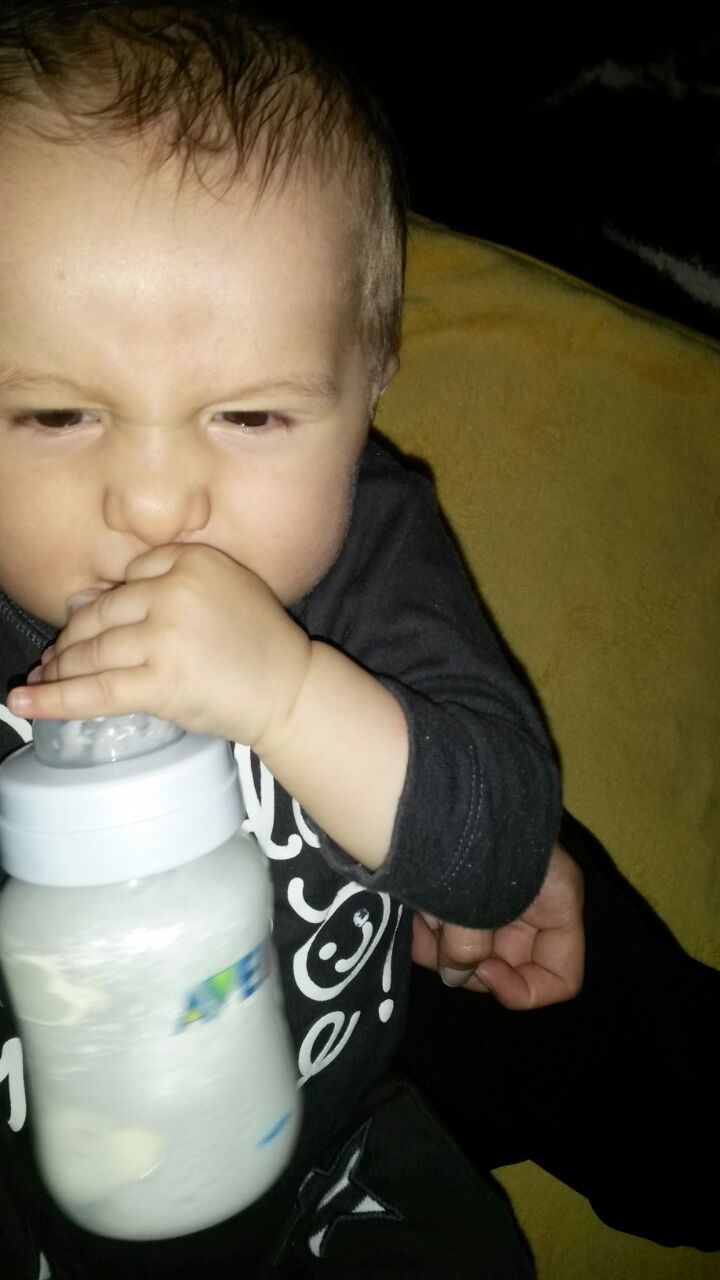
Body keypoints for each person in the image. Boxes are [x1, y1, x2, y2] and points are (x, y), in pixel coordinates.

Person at [0, 3, 578, 1276]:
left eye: (252, 417)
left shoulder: (366, 552)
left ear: (369, 390)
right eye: (52, 416)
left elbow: (498, 852)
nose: (157, 502)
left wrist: (288, 694)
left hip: (338, 1161)